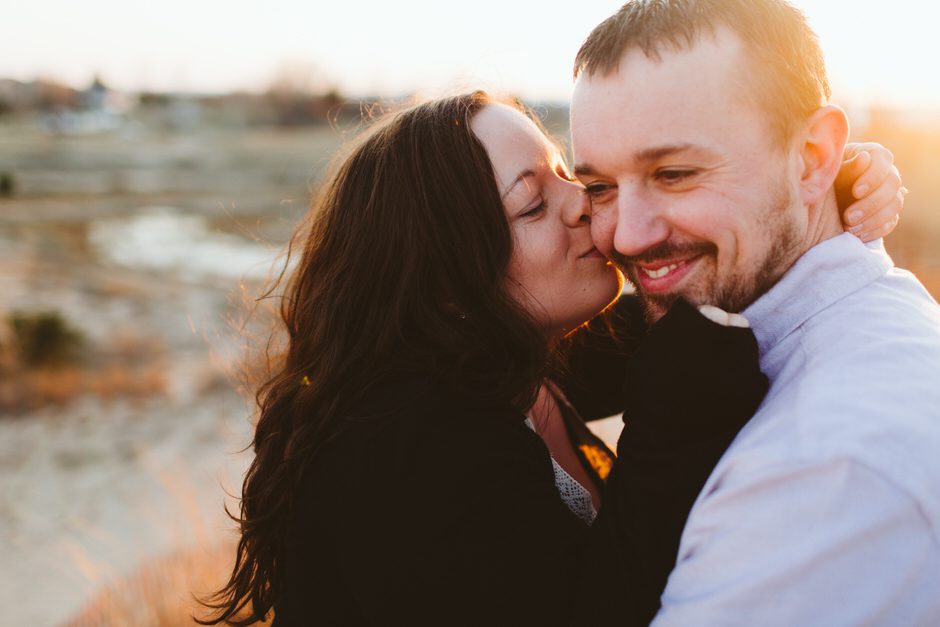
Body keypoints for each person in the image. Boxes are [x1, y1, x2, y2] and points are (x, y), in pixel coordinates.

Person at [198, 89, 902, 625]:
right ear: (448, 286)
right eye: (533, 203)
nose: (584, 202)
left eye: (567, 171)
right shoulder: (404, 451)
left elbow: (708, 296)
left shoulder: (510, 362)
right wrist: (673, 416)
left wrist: (811, 190)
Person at [569, 1, 940, 624]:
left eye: (675, 173)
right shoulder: (762, 335)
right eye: (599, 188)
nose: (627, 237)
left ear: (814, 158)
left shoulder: (826, 474)